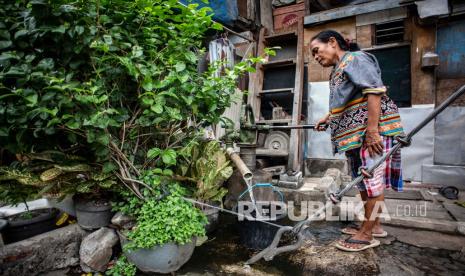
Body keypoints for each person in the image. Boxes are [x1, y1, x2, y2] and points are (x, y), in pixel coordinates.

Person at [310, 30, 404, 252]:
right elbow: (347, 99)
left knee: (372, 182)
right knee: (362, 182)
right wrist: (327, 118)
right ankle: (374, 225)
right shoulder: (337, 70)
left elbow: (373, 91)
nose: (315, 57)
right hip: (354, 137)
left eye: (316, 50)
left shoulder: (355, 58)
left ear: (332, 42)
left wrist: (373, 131)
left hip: (369, 133)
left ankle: (367, 233)